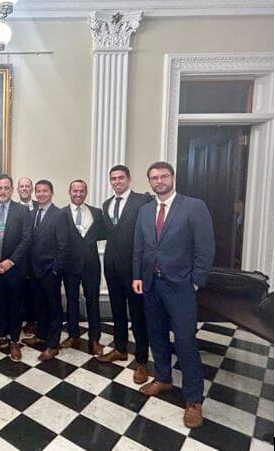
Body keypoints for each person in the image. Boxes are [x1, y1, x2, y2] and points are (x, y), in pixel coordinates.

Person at [133, 161, 215, 429]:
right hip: (151, 284)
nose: (159, 181)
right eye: (154, 178)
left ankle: (193, 400)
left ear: (173, 178)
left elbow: (205, 246)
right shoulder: (145, 211)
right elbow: (140, 247)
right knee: (156, 333)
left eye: (163, 176)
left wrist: (196, 281)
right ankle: (164, 378)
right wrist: (137, 276)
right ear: (150, 182)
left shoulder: (193, 206)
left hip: (181, 286)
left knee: (185, 341)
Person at [98, 165, 151, 385]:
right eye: (113, 179)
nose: (117, 182)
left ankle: (141, 360)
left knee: (138, 314)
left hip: (134, 267)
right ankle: (120, 349)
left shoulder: (143, 201)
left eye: (121, 178)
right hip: (111, 265)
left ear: (129, 179)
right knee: (117, 309)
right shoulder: (107, 204)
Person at [0, 175, 31, 361]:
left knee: (16, 305)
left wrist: (10, 261)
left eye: (6, 188)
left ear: (12, 190)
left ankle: (15, 341)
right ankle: (1, 336)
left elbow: (27, 239)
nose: (3, 191)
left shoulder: (22, 211)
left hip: (15, 268)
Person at [21, 180, 69, 361]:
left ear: (52, 192)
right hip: (33, 271)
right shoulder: (31, 214)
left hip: (50, 271)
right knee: (39, 306)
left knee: (54, 308)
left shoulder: (59, 215)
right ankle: (41, 335)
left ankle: (53, 345)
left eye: (45, 191)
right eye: (38, 191)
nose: (41, 194)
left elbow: (63, 246)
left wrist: (56, 269)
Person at [61, 180, 105, 355]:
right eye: (75, 191)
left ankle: (94, 340)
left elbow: (102, 234)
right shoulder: (61, 214)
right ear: (69, 192)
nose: (78, 194)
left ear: (86, 192)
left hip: (91, 265)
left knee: (93, 302)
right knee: (71, 301)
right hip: (70, 266)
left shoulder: (97, 213)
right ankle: (73, 336)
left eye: (81, 191)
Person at [16, 177, 38, 336]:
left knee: (35, 291)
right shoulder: (14, 208)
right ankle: (20, 320)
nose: (24, 189)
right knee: (21, 290)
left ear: (31, 189)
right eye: (21, 186)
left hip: (37, 257)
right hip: (18, 258)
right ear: (17, 190)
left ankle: (34, 321)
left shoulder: (40, 206)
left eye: (27, 186)